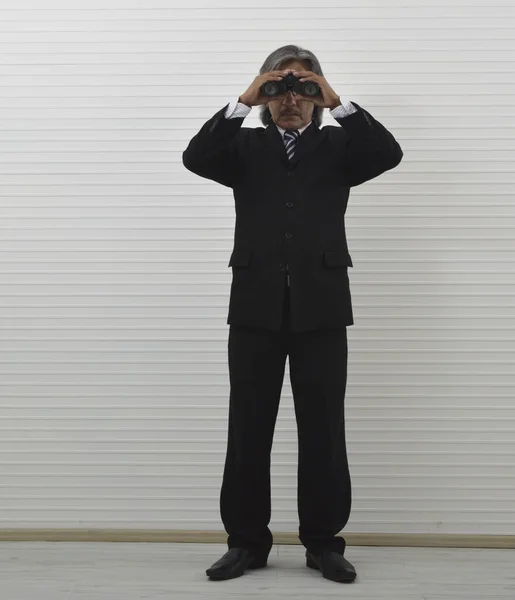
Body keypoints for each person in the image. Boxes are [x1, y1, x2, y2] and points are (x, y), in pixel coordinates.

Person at [182, 45, 403, 584]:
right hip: (254, 306)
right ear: (263, 95)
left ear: (318, 97)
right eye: (279, 90)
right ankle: (246, 543)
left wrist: (337, 100)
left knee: (324, 428)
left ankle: (324, 543)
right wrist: (242, 99)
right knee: (248, 428)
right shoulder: (241, 146)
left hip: (322, 307)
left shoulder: (341, 146)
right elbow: (195, 158)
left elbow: (388, 154)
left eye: (303, 90)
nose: (291, 101)